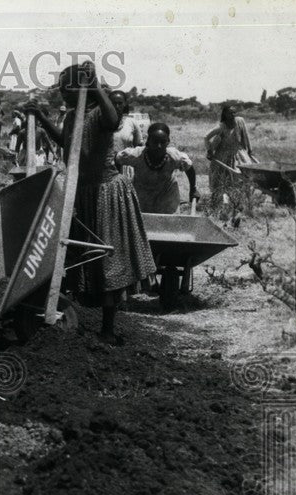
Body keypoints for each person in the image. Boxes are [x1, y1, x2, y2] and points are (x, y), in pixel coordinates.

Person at [28, 61, 156, 345]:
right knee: (83, 257)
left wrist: (95, 85)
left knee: (108, 259)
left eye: (66, 88)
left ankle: (108, 329)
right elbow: (65, 143)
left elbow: (112, 122)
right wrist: (41, 117)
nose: (62, 93)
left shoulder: (100, 113)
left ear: (80, 88)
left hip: (106, 193)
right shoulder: (73, 115)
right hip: (82, 192)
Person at [116, 122, 198, 214]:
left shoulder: (174, 156)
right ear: (148, 141)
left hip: (167, 195)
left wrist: (193, 189)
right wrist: (118, 180)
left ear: (168, 142)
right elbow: (117, 159)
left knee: (168, 225)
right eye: (155, 142)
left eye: (163, 142)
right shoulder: (137, 155)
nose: (159, 146)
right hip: (141, 195)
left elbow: (189, 168)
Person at [204, 106, 256, 205]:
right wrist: (209, 150)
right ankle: (219, 202)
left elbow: (246, 136)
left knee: (242, 178)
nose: (232, 115)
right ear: (225, 115)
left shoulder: (240, 122)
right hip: (223, 156)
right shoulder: (221, 126)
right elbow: (206, 137)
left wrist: (249, 150)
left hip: (239, 155)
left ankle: (242, 202)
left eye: (234, 113)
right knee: (220, 180)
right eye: (230, 113)